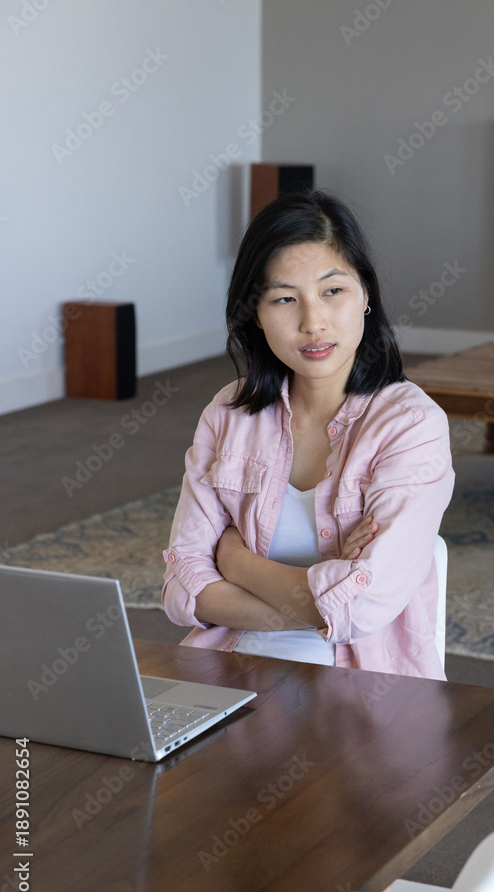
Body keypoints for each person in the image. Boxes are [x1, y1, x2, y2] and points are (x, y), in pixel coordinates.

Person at [162, 190, 454, 679]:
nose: (312, 323)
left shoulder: (411, 425)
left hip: (360, 689)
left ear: (365, 296)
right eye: (284, 298)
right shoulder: (228, 413)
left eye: (332, 290)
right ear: (256, 312)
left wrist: (234, 559)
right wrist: (324, 593)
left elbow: (363, 609)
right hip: (227, 670)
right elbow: (180, 590)